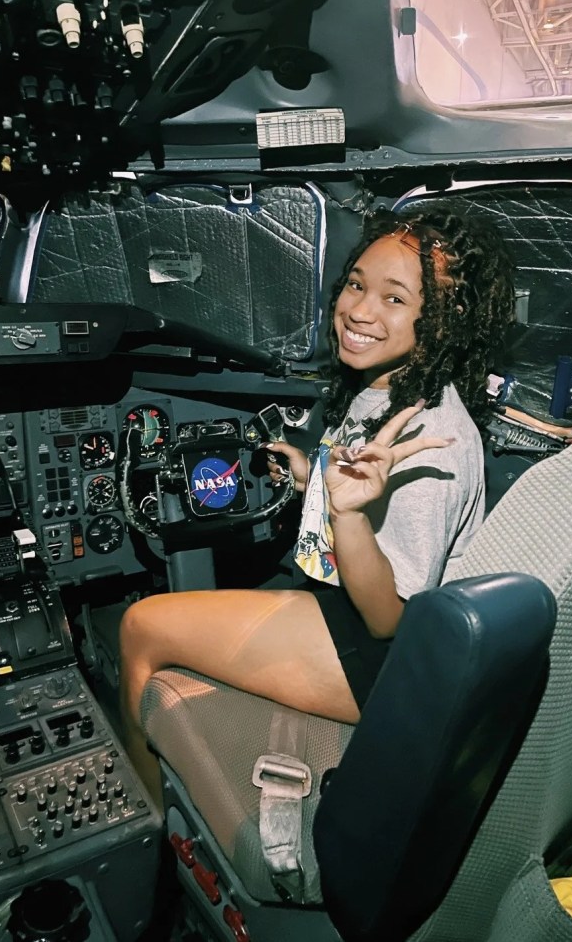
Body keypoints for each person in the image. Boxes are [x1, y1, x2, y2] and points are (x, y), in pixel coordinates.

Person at [119, 205, 515, 807]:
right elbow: (361, 500)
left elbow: (389, 618)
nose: (359, 311)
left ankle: (149, 831)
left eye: (394, 299)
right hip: (347, 619)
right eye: (357, 284)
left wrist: (348, 511)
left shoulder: (431, 438)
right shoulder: (386, 387)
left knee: (140, 625)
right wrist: (314, 481)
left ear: (441, 321)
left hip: (382, 664)